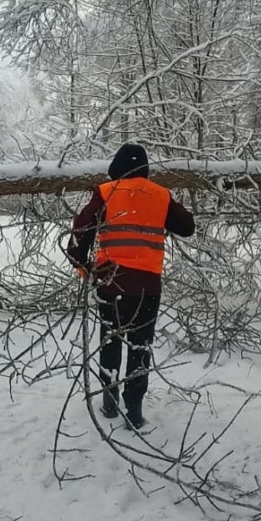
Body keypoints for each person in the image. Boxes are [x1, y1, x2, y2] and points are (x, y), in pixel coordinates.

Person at [66, 143, 195, 429]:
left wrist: (83, 267)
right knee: (140, 345)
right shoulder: (161, 195)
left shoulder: (106, 192)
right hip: (148, 286)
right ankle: (134, 406)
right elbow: (187, 226)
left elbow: (79, 234)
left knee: (110, 340)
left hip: (111, 285)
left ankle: (110, 401)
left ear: (116, 169)